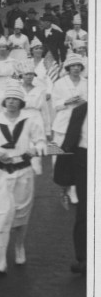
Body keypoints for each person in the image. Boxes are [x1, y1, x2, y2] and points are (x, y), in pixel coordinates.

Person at [0, 81, 47, 276]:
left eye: (15, 99)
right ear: (4, 101)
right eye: (8, 99)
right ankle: (1, 260)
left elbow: (41, 141)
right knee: (2, 214)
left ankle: (19, 246)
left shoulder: (30, 119)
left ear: (21, 102)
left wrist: (34, 149)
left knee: (21, 214)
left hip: (23, 172)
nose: (11, 103)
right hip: (2, 173)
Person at [54, 101, 88, 275]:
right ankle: (84, 259)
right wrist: (64, 180)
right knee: (85, 211)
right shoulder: (80, 111)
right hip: (85, 162)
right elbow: (69, 141)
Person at [51, 53, 88, 144]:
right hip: (63, 123)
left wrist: (85, 102)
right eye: (73, 66)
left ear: (81, 68)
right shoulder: (59, 83)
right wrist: (66, 102)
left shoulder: (87, 83)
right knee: (59, 152)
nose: (76, 68)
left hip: (82, 122)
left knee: (79, 154)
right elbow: (54, 104)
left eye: (78, 66)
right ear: (68, 68)